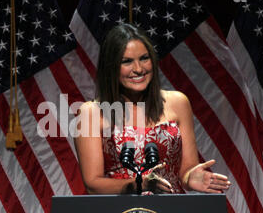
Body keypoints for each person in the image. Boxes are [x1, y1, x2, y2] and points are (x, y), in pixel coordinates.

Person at [74, 23, 231, 195]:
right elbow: (93, 183)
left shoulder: (178, 102)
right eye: (126, 61)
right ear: (111, 67)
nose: (139, 69)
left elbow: (186, 169)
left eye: (144, 58)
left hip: (171, 212)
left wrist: (190, 178)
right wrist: (140, 184)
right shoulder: (91, 112)